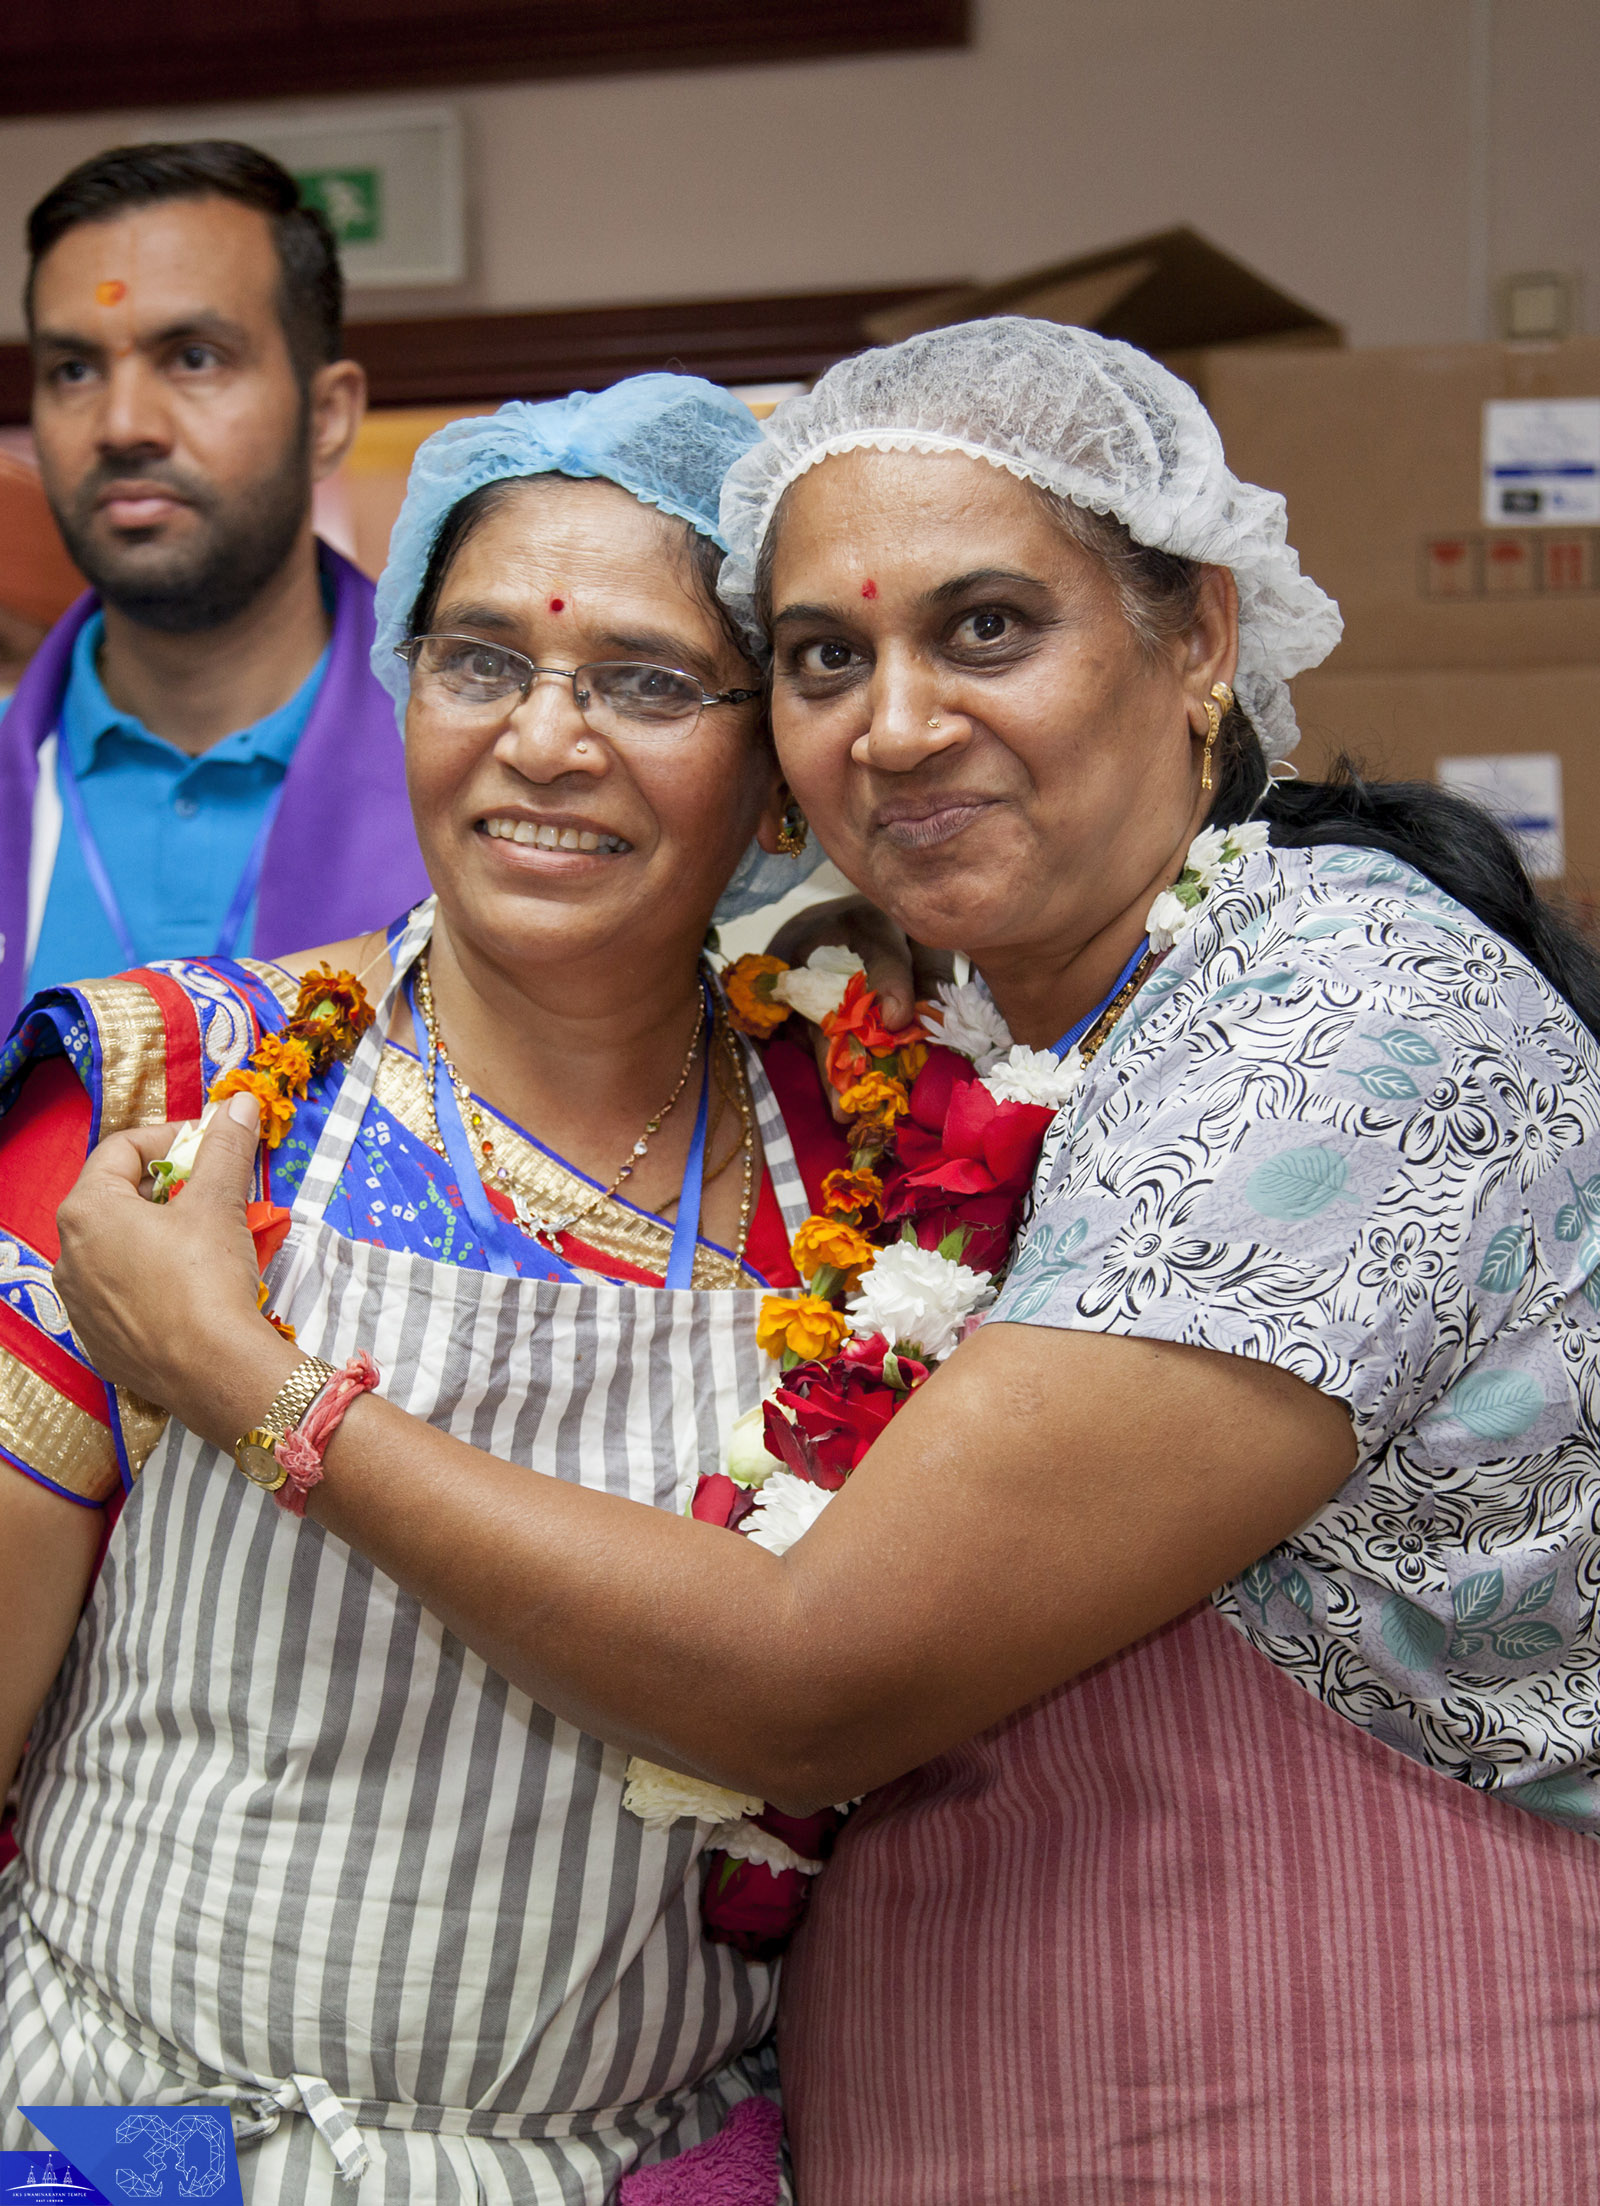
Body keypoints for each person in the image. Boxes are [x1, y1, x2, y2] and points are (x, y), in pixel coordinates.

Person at [47, 319, 1600, 2200]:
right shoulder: (182, 1098)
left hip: (1328, 2120)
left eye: (988, 629)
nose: (900, 723)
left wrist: (254, 1383)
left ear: (1196, 635)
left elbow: (809, 1672)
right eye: (824, 657)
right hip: (144, 2135)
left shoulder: (1285, 1039)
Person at [0, 373, 850, 2200]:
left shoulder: (860, 1180)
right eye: (478, 662)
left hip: (617, 2160)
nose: (545, 741)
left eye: (643, 680)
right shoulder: (174, 1098)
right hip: (138, 2132)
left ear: (776, 765)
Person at [0, 140, 427, 1029]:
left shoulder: (480, 771)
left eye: (193, 357)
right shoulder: (17, 768)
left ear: (327, 415)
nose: (121, 426)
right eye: (73, 369)